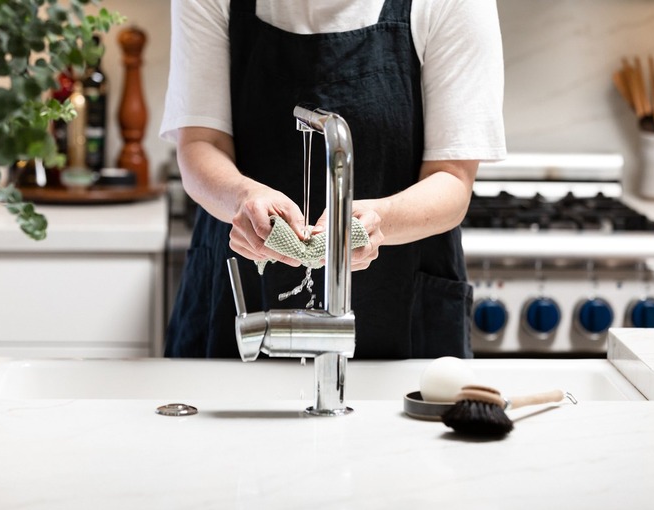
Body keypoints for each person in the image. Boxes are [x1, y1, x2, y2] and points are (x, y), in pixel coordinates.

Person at [159, 0, 506, 359]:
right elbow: (201, 143)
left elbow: (452, 178)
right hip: (236, 300)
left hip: (401, 301)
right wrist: (241, 196)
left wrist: (379, 219)